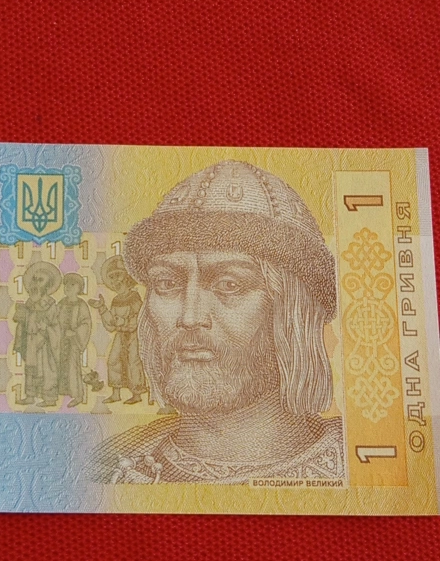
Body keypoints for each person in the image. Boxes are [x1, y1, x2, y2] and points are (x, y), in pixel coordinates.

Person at [90, 160, 345, 484]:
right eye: (167, 283)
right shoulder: (110, 462)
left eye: (230, 284)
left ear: (294, 313)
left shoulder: (349, 462)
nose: (190, 317)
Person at [89, 255, 147, 405]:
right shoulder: (115, 300)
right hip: (120, 335)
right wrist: (102, 308)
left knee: (133, 362)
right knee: (113, 361)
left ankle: (136, 394)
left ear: (127, 277)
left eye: (118, 275)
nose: (115, 281)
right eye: (112, 277)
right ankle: (116, 394)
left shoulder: (134, 296)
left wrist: (126, 322)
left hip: (133, 336)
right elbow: (111, 324)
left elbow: (140, 318)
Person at [13, 261, 62, 408]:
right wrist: (21, 316)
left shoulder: (50, 304)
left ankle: (49, 398)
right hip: (31, 340)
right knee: (30, 368)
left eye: (40, 280)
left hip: (45, 343)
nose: (36, 284)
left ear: (48, 285)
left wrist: (46, 328)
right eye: (34, 279)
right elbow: (24, 320)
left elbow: (56, 326)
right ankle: (30, 396)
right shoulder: (29, 302)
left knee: (46, 369)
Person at [57, 273, 93, 407]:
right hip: (61, 341)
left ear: (79, 288)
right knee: (59, 364)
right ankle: (61, 391)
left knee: (73, 367)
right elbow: (54, 319)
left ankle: (78, 396)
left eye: (72, 285)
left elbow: (86, 323)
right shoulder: (61, 303)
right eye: (66, 284)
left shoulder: (81, 305)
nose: (68, 287)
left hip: (73, 342)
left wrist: (74, 333)